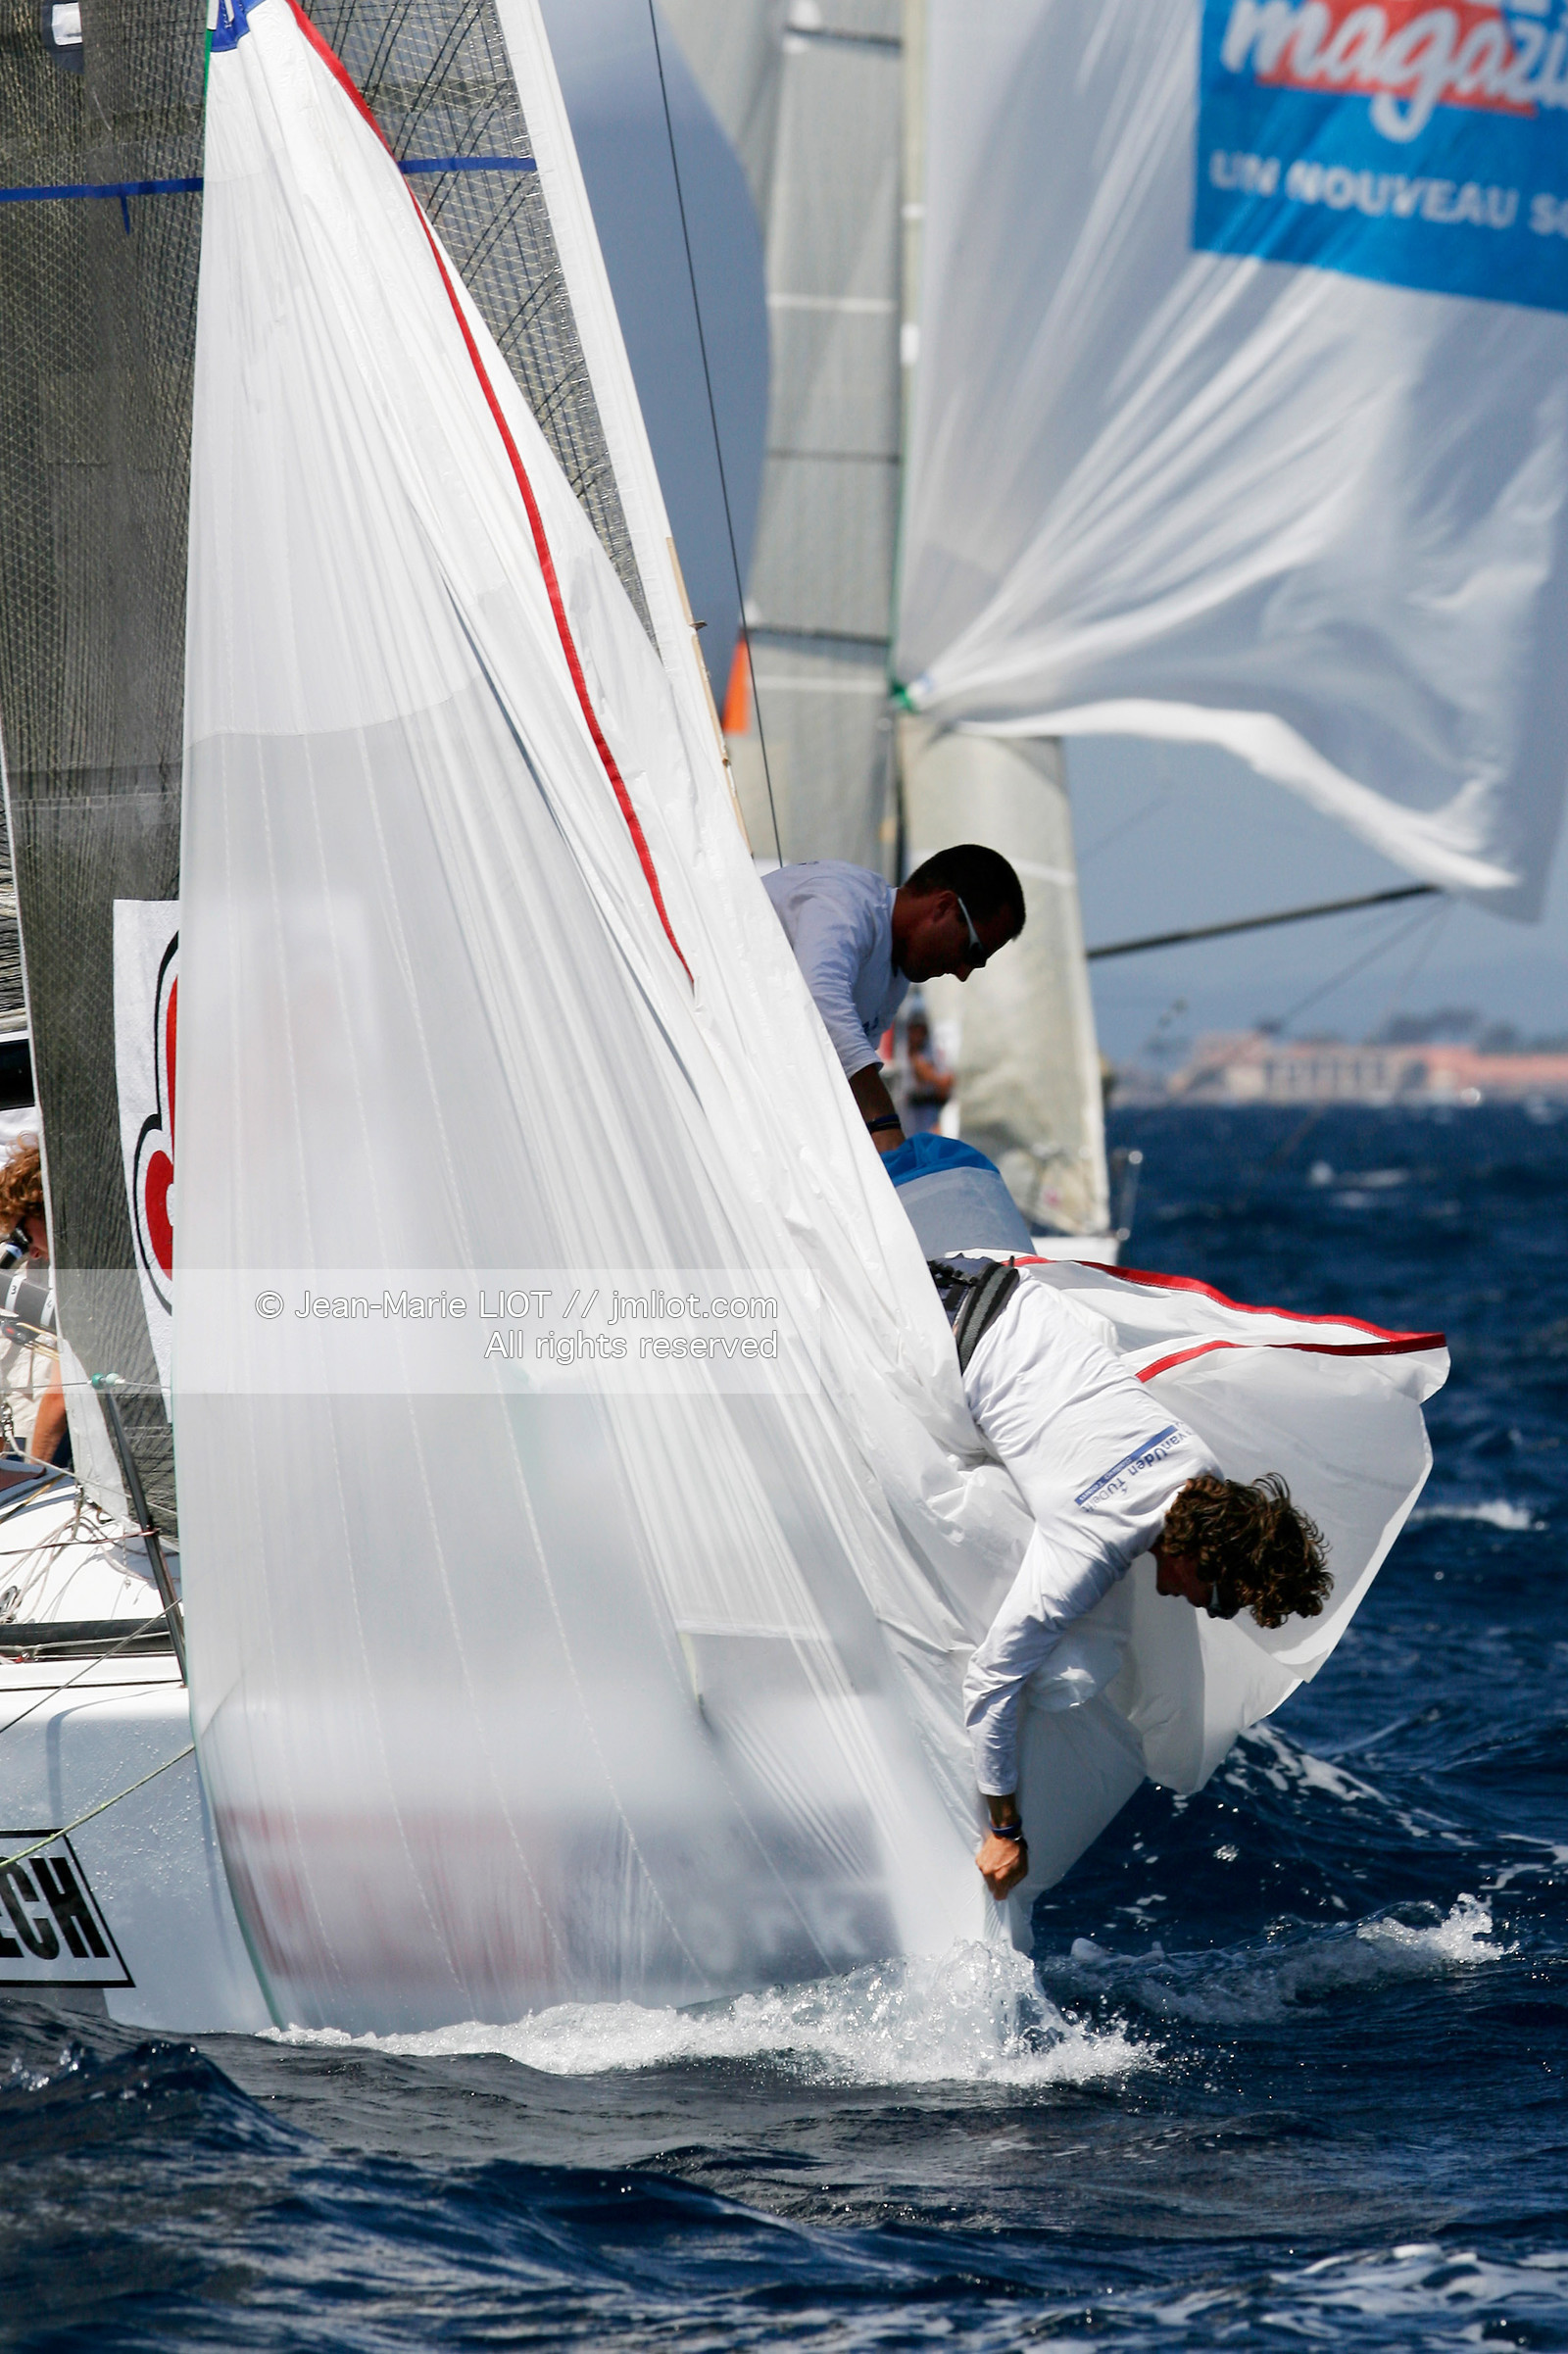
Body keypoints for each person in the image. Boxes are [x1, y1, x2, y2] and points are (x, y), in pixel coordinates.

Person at [926, 1251, 1331, 1902]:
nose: (1201, 1608)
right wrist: (1005, 1827)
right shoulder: (1095, 1545)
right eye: (1220, 1603)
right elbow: (992, 1680)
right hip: (934, 1336)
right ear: (1207, 1559)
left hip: (981, 1281)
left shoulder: (1196, 1460)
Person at [763, 846, 1025, 1154]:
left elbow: (835, 1073)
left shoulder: (896, 977)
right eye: (973, 952)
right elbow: (817, 999)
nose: (963, 972)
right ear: (943, 907)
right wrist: (883, 1121)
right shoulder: (845, 901)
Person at [0, 1137, 69, 1472]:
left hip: (59, 1442)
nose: (32, 1252)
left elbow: (60, 1396)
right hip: (23, 1432)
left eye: (25, 1234)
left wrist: (33, 1482)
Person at [901, 1013, 953, 1136]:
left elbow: (945, 1082)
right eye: (915, 1030)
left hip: (928, 1113)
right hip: (907, 1115)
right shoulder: (902, 1050)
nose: (917, 1034)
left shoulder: (930, 1053)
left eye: (921, 1030)